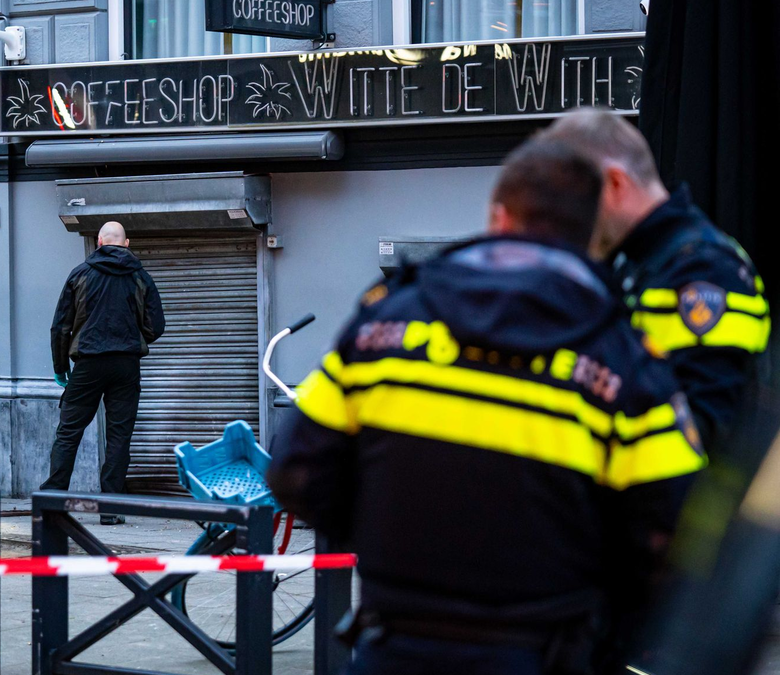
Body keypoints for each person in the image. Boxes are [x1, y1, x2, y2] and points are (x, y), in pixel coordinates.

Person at [267, 139, 706, 675]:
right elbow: (675, 533)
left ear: (499, 217)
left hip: (395, 648)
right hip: (544, 652)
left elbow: (293, 471)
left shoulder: (385, 323)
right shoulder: (625, 359)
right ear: (596, 236)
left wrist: (389, 535)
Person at [540, 110, 770, 450]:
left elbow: (704, 433)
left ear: (614, 184)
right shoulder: (636, 261)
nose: (565, 223)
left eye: (569, 204)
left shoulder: (704, 270)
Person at [42, 221, 165, 524]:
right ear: (126, 244)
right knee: (119, 436)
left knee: (69, 432)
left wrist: (61, 368)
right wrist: (132, 337)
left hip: (88, 363)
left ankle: (53, 502)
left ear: (98, 242)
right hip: (126, 364)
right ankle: (110, 509)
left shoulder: (80, 274)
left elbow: (60, 326)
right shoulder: (140, 276)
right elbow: (156, 326)